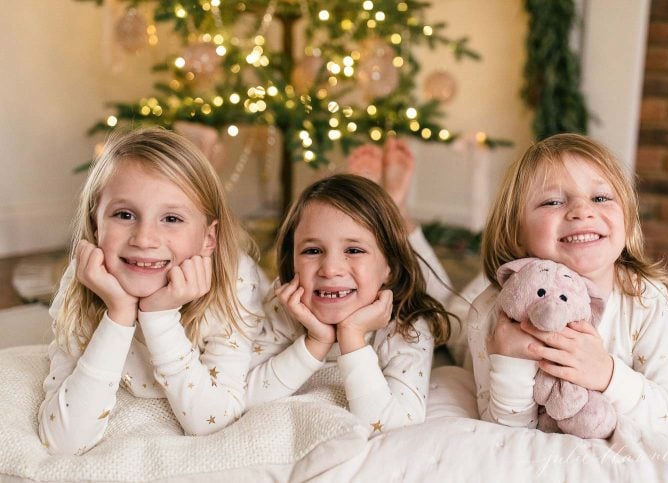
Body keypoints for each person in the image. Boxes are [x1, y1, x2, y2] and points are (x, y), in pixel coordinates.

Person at [38, 128, 265, 455]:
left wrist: (159, 317)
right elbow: (63, 442)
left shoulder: (236, 281)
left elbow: (213, 423)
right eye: (124, 215)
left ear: (208, 239)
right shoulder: (83, 278)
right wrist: (118, 316)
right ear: (96, 223)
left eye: (171, 218)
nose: (144, 239)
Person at [466, 133, 668, 435]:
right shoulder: (488, 314)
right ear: (515, 232)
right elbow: (504, 434)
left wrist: (607, 374)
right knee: (453, 318)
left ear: (627, 219)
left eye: (600, 198)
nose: (582, 210)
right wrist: (510, 364)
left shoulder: (644, 299)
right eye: (552, 201)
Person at [245, 173, 454, 433]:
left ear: (389, 265)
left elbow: (393, 426)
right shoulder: (285, 307)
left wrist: (352, 336)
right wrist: (316, 342)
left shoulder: (406, 325)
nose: (331, 269)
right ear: (292, 263)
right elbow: (241, 399)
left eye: (354, 250)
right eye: (312, 251)